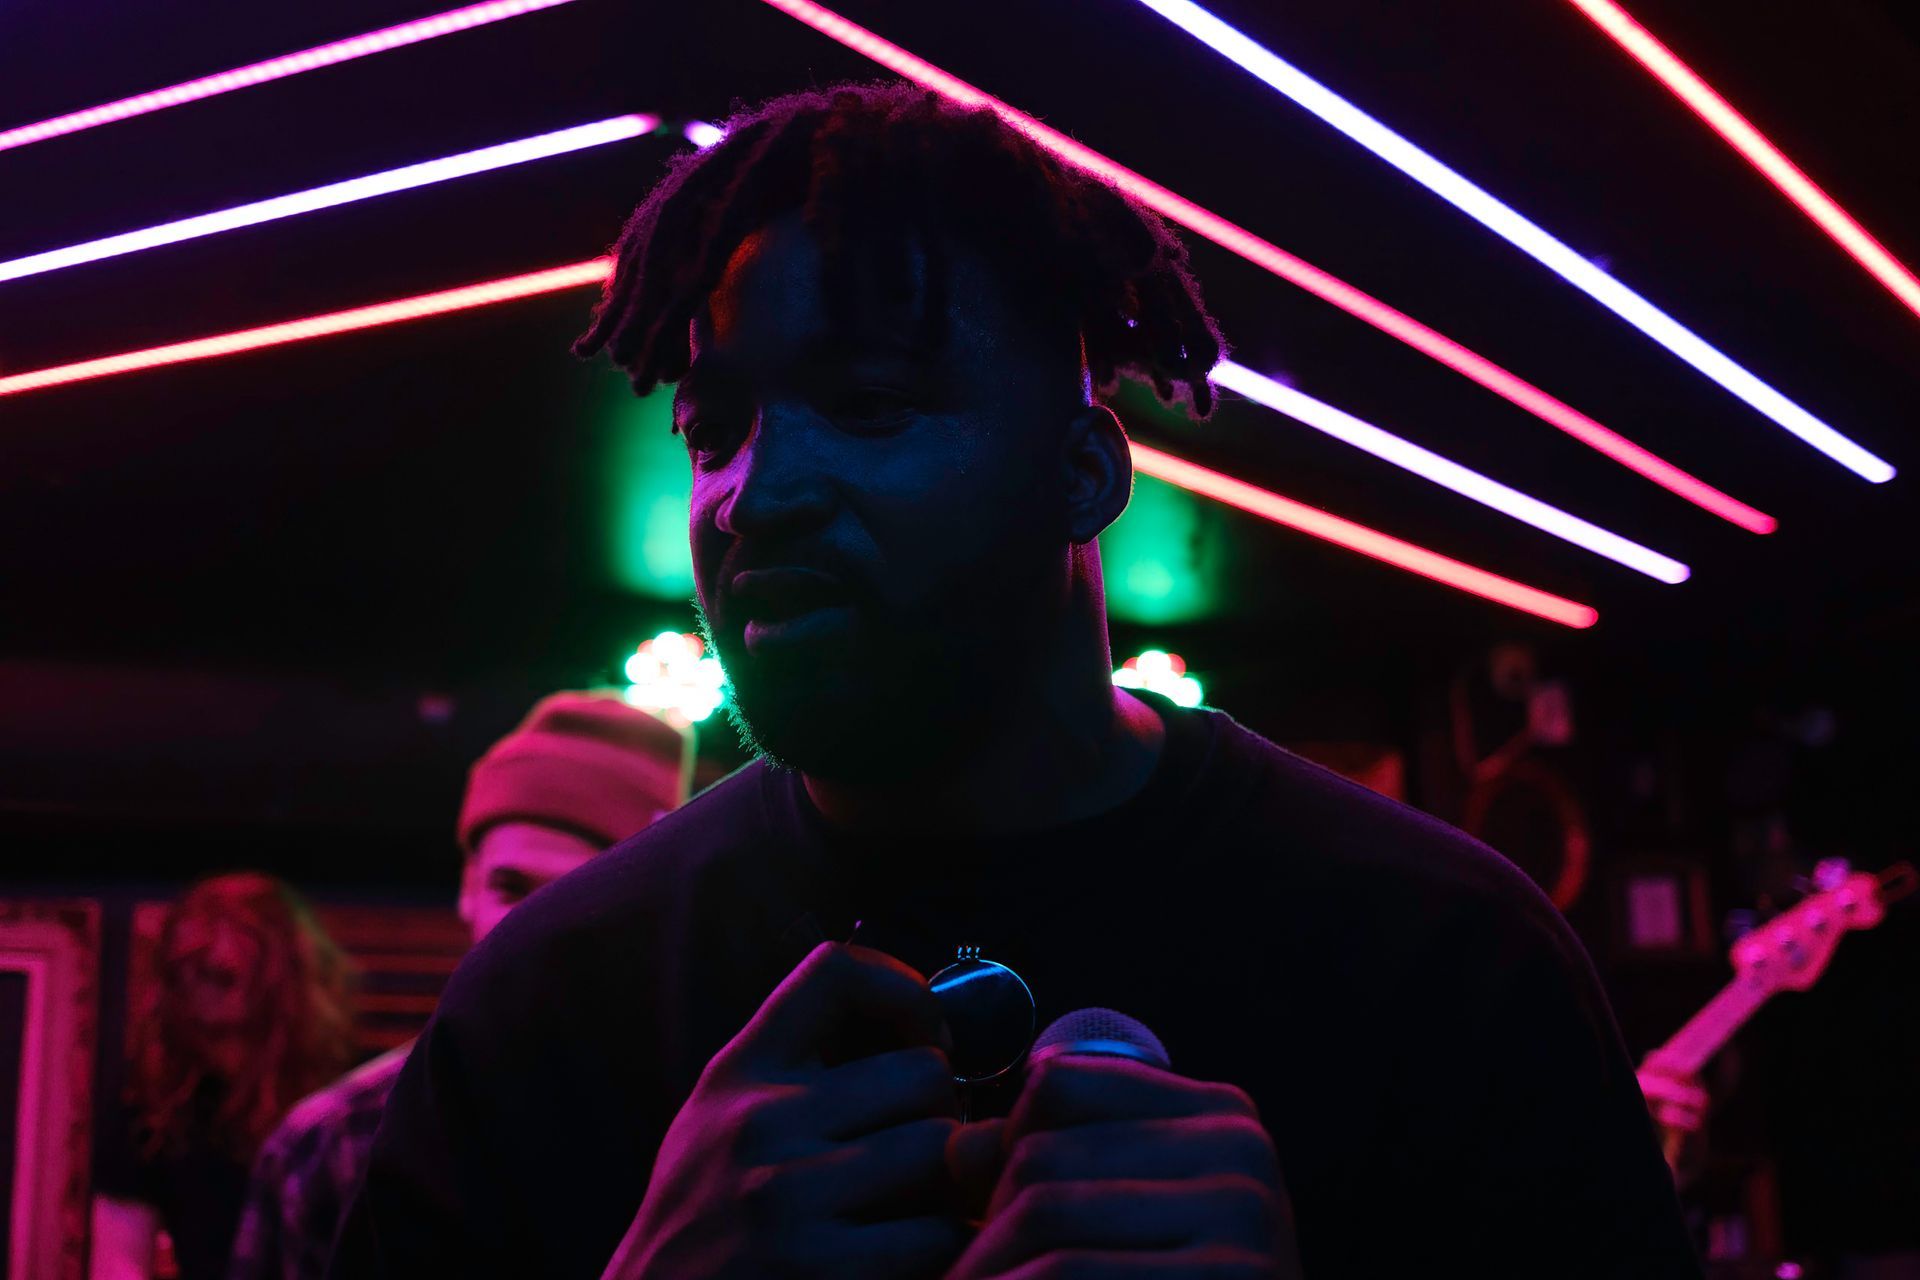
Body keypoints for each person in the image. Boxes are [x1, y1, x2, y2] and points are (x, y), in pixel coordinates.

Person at [332, 82, 1698, 1278]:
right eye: (717, 426)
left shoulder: (1438, 962)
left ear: (1082, 472)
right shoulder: (550, 1007)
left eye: (869, 403)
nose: (756, 494)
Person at [226, 691, 691, 1280]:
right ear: (468, 886)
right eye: (511, 889)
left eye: (573, 900)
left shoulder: (700, 1138)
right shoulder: (331, 1145)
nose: (531, 934)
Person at [91, 874, 355, 1280]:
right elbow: (118, 1264)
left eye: (222, 976)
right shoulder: (155, 1109)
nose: (201, 989)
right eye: (185, 972)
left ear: (279, 976)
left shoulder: (348, 1104)